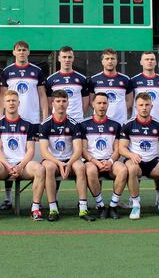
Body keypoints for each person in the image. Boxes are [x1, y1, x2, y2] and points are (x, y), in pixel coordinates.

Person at [0, 40, 48, 210]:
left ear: (28, 52)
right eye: (18, 50)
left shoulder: (36, 71)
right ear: (14, 52)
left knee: (32, 160)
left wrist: (44, 118)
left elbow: (42, 96)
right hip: (10, 121)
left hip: (32, 121)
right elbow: (2, 96)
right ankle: (7, 198)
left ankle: (37, 200)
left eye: (24, 50)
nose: (21, 52)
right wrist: (0, 117)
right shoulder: (7, 72)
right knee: (9, 155)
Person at [0, 90, 46, 221]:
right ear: (4, 103)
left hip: (22, 165)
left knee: (40, 169)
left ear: (19, 103)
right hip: (4, 165)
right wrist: (8, 166)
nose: (11, 103)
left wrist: (19, 166)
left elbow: (30, 150)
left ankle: (35, 209)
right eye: (8, 101)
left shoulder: (28, 124)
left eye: (14, 101)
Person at [119, 92, 159, 220]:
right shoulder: (128, 125)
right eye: (141, 105)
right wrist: (131, 154)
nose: (144, 108)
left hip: (153, 162)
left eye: (147, 105)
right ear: (136, 107)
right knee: (132, 168)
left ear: (151, 106)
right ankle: (135, 205)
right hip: (136, 161)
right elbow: (121, 148)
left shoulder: (158, 125)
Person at [39, 90, 92, 222]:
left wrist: (68, 163)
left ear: (68, 103)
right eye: (58, 101)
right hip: (53, 160)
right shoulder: (45, 124)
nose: (61, 104)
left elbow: (78, 149)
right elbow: (44, 151)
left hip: (71, 160)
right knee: (49, 168)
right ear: (52, 104)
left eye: (64, 101)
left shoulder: (74, 124)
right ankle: (53, 209)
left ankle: (83, 208)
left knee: (80, 167)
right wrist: (59, 163)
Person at [79, 92, 127, 219]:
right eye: (99, 103)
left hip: (110, 161)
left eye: (104, 103)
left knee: (123, 170)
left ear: (108, 104)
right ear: (93, 104)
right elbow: (83, 150)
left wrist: (110, 161)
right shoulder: (84, 125)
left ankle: (113, 206)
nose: (102, 106)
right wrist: (96, 162)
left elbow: (117, 149)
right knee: (89, 170)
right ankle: (100, 206)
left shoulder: (115, 125)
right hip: (92, 161)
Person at [88, 48, 133, 125]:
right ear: (102, 61)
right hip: (100, 123)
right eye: (107, 59)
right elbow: (91, 101)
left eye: (112, 58)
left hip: (120, 122)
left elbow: (130, 101)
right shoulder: (94, 80)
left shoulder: (125, 79)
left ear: (116, 61)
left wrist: (120, 109)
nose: (110, 61)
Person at [45, 45, 89, 123]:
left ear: (73, 58)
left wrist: (78, 115)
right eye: (64, 57)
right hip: (58, 121)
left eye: (69, 57)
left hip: (77, 120)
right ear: (59, 58)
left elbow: (85, 103)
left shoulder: (82, 78)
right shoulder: (50, 79)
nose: (67, 60)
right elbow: (49, 103)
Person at [129, 51, 159, 123]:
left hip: (158, 123)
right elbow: (130, 104)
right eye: (146, 59)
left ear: (156, 62)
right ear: (141, 62)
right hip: (137, 124)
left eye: (152, 59)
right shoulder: (133, 81)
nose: (149, 61)